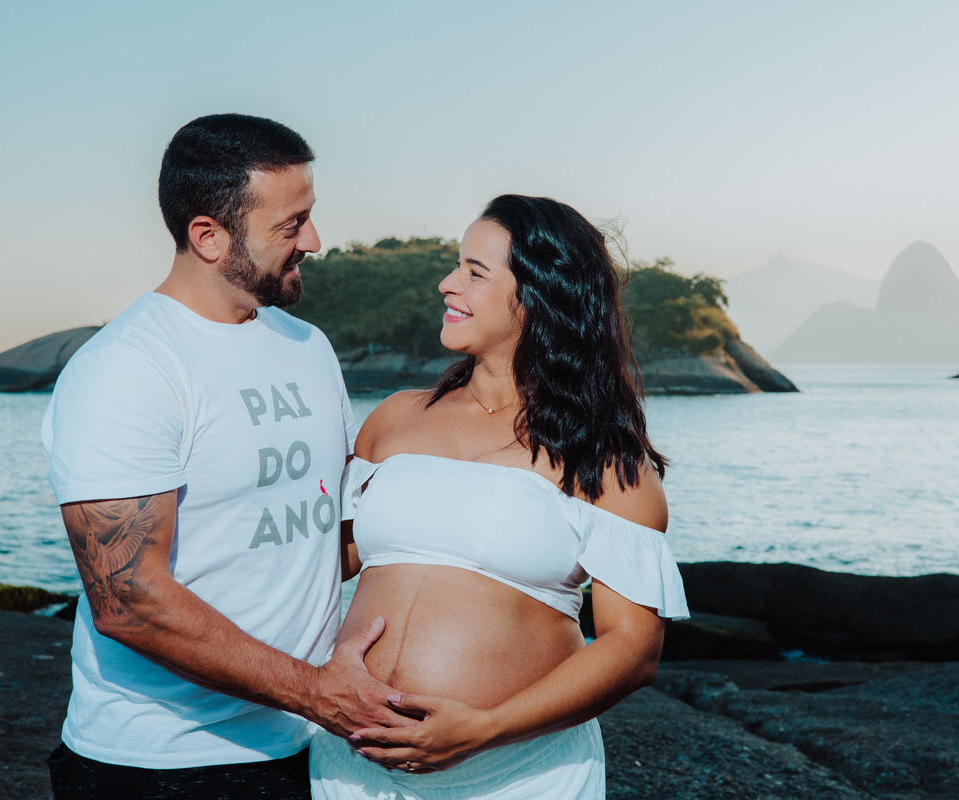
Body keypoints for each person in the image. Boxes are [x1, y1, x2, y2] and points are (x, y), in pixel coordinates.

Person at [41, 113, 416, 800]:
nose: (315, 241)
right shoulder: (128, 369)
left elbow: (322, 539)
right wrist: (316, 693)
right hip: (157, 768)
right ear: (208, 236)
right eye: (290, 225)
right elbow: (127, 600)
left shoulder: (309, 348)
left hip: (302, 748)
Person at [309, 195, 690, 799]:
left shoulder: (606, 460)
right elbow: (318, 566)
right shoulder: (394, 418)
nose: (446, 283)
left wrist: (484, 729)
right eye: (456, 265)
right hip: (348, 767)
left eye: (473, 272)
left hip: (518, 775)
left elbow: (633, 648)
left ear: (538, 297)